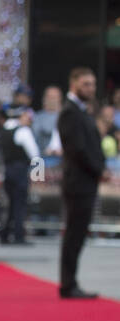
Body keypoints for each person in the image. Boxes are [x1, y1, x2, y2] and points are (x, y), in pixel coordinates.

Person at [58, 66, 104, 299]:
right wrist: (99, 170)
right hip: (78, 183)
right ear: (74, 84)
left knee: (77, 234)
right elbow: (78, 149)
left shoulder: (81, 111)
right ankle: (68, 284)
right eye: (86, 84)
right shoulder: (70, 112)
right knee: (74, 235)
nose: (91, 88)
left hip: (85, 181)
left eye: (93, 84)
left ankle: (70, 281)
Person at [0, 106, 38, 245]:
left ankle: (4, 234)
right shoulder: (23, 131)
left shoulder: (4, 129)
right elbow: (34, 154)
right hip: (19, 170)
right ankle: (19, 235)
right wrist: (39, 175)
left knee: (10, 204)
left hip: (7, 170)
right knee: (20, 204)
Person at [33, 85, 63, 156]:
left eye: (55, 97)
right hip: (44, 158)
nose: (52, 100)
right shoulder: (37, 117)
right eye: (50, 97)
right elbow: (34, 139)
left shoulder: (67, 117)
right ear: (44, 99)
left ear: (60, 99)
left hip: (65, 159)